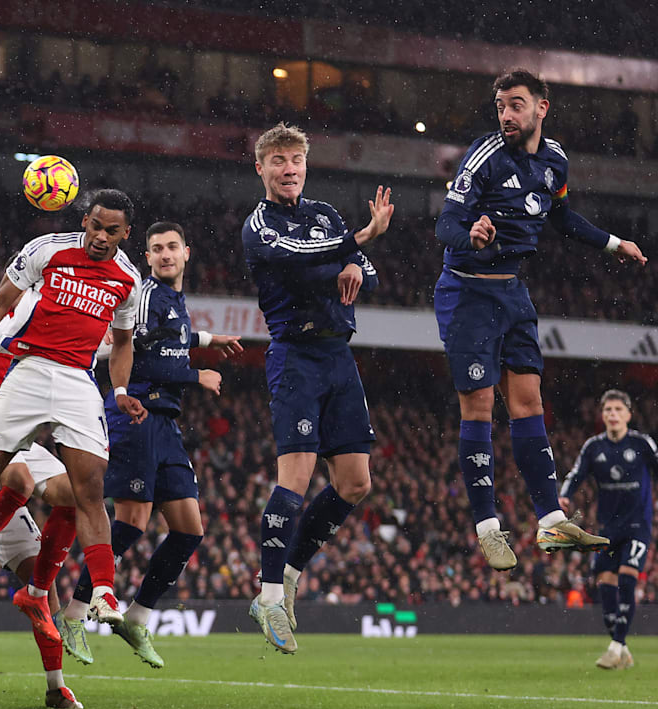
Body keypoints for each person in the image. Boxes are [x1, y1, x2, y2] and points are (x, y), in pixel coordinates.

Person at [0, 189, 147, 702]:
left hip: (79, 381)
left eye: (112, 230)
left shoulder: (129, 279)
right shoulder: (47, 249)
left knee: (89, 487)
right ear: (86, 220)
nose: (101, 237)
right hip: (30, 371)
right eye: (96, 226)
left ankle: (104, 591)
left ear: (127, 233)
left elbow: (123, 342)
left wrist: (122, 390)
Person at [435, 69, 646, 569]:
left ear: (541, 107)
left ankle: (550, 521)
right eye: (501, 106)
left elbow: (562, 216)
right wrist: (473, 237)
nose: (506, 114)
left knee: (529, 403)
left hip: (513, 293)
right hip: (468, 293)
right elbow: (446, 222)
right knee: (480, 407)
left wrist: (614, 243)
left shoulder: (554, 161)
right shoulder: (484, 154)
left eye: (516, 104)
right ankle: (488, 526)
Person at [58, 221, 241, 667]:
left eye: (172, 247)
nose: (164, 255)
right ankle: (75, 612)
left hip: (166, 423)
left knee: (188, 529)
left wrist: (207, 340)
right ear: (148, 256)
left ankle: (138, 617)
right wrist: (197, 374)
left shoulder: (174, 300)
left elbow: (170, 338)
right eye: (156, 248)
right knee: (133, 522)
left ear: (186, 253)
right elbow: (137, 352)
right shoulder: (142, 293)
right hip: (136, 414)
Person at [241, 123, 392, 654]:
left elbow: (367, 277)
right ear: (261, 168)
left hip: (337, 357)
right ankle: (266, 594)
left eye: (296, 160)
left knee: (355, 483)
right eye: (278, 160)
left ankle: (289, 574)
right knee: (297, 480)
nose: (289, 169)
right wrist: (356, 242)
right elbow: (298, 262)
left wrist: (353, 259)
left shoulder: (325, 215)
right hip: (296, 357)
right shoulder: (258, 225)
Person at [558, 390, 658, 670]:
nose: (612, 414)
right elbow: (576, 473)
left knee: (628, 575)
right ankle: (621, 647)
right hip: (608, 526)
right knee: (605, 584)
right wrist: (565, 495)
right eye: (608, 410)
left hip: (639, 524)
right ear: (602, 416)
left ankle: (615, 647)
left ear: (628, 414)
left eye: (618, 409)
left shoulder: (641, 443)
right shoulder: (594, 447)